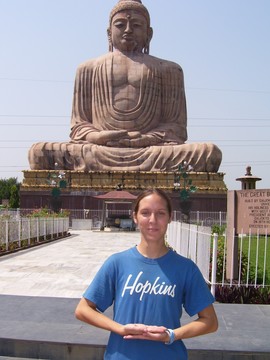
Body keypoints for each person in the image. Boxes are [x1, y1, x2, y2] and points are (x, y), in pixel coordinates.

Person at [29, 0, 222, 173]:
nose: (128, 29)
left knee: (209, 153)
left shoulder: (169, 70)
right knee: (39, 152)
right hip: (99, 149)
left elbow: (176, 128)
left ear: (149, 33)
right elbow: (79, 127)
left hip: (151, 150)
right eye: (120, 24)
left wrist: (145, 139)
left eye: (136, 25)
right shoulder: (87, 69)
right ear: (108, 32)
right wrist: (98, 137)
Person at [75, 188, 218, 359]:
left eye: (160, 213)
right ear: (135, 217)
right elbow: (83, 309)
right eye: (145, 213)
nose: (153, 220)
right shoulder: (117, 263)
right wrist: (119, 328)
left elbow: (210, 321)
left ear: (170, 217)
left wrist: (172, 335)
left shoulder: (185, 268)